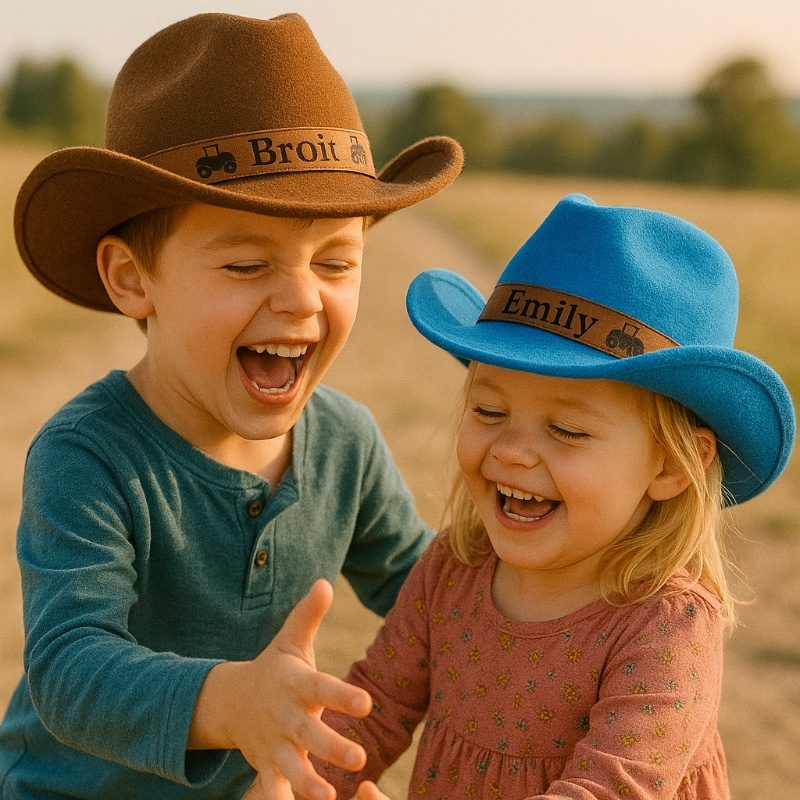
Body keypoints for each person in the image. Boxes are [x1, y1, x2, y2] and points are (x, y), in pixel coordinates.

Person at [0, 12, 463, 800]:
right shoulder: (90, 454)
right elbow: (69, 667)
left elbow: (432, 597)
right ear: (131, 280)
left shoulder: (344, 443)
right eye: (248, 263)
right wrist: (233, 701)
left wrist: (563, 615)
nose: (300, 299)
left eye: (336, 261)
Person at [311, 193, 796, 800]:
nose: (513, 451)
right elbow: (369, 711)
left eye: (567, 430)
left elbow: (610, 788)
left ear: (672, 465)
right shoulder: (453, 570)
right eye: (488, 410)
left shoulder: (664, 624)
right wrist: (294, 781)